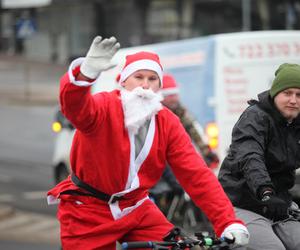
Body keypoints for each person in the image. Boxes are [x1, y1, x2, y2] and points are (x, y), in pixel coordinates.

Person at [47, 35, 249, 250]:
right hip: (88, 209)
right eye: (138, 77)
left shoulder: (167, 121)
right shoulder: (103, 106)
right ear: (123, 81)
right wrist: (85, 74)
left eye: (153, 79)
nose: (145, 85)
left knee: (173, 246)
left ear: (159, 85)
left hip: (136, 208)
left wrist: (228, 221)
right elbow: (73, 106)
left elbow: (196, 174)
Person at [218, 63, 300, 250]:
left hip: (280, 205)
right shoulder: (255, 117)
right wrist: (266, 193)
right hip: (241, 202)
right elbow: (250, 156)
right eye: (287, 93)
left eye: (299, 94)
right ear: (275, 94)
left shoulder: (296, 122)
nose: (293, 100)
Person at [160, 73, 219, 169]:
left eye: (175, 94)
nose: (174, 98)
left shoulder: (182, 113)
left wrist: (207, 152)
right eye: (169, 95)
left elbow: (194, 132)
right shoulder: (157, 116)